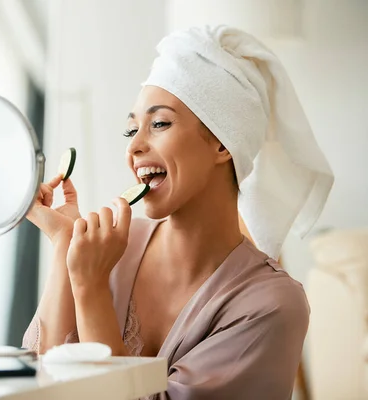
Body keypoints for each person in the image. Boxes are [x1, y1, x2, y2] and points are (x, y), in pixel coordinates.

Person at [23, 25, 334, 399]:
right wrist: (64, 246)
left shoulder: (270, 306)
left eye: (159, 124)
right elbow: (39, 384)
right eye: (131, 130)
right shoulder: (107, 248)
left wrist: (90, 289)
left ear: (222, 142)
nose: (134, 147)